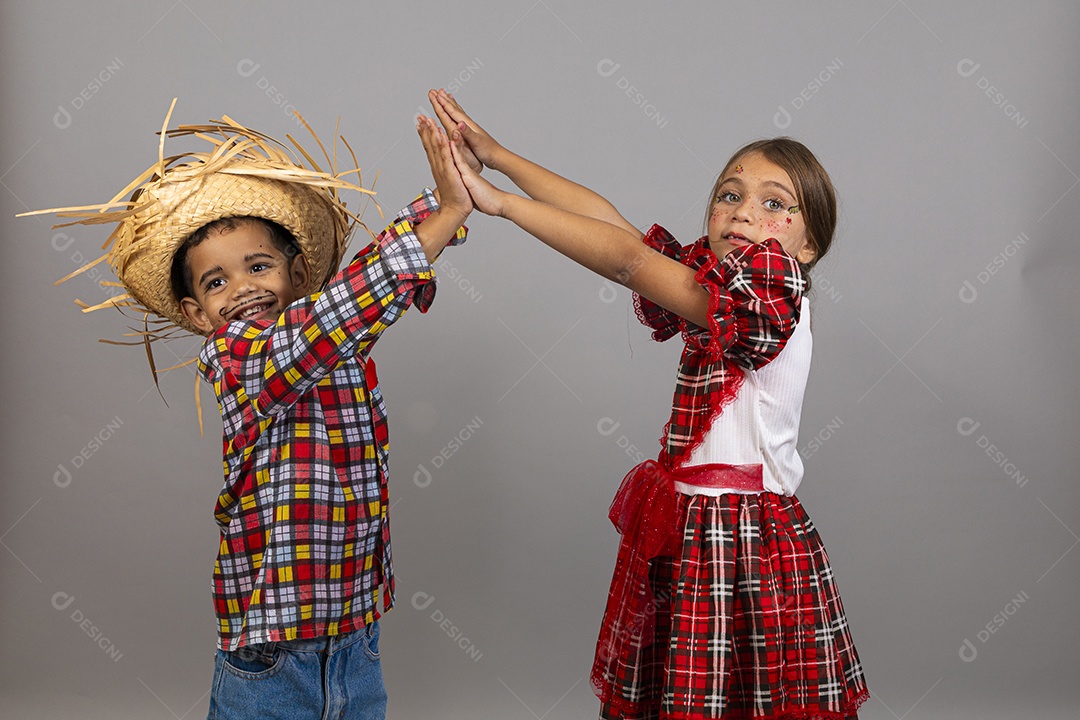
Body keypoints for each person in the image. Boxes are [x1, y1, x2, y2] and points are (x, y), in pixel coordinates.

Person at [426, 88, 869, 720]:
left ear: (808, 248)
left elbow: (630, 262)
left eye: (776, 205)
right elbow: (617, 230)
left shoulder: (771, 295)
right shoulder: (713, 282)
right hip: (691, 528)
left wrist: (499, 205)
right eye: (730, 194)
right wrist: (498, 156)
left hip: (739, 538)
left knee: (744, 698)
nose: (743, 212)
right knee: (677, 693)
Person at [24, 103, 471, 720]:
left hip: (354, 633)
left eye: (258, 266)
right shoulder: (238, 357)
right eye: (215, 282)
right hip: (272, 648)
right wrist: (443, 218)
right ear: (195, 313)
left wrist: (443, 202)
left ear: (298, 274)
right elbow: (329, 323)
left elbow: (357, 296)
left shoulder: (329, 336)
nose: (241, 288)